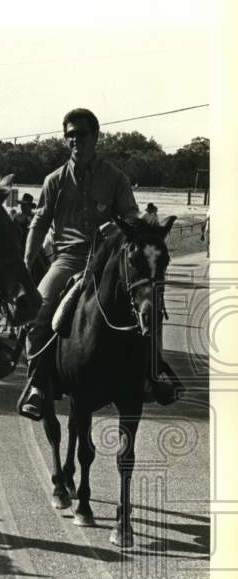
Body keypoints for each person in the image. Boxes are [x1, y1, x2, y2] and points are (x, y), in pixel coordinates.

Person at [17, 108, 177, 420]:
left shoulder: (116, 178)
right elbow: (38, 225)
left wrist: (119, 227)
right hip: (66, 260)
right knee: (42, 308)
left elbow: (131, 216)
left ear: (96, 137)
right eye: (70, 135)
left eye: (81, 133)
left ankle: (153, 376)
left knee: (149, 305)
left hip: (108, 263)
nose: (75, 139)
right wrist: (26, 263)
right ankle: (37, 384)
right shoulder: (54, 181)